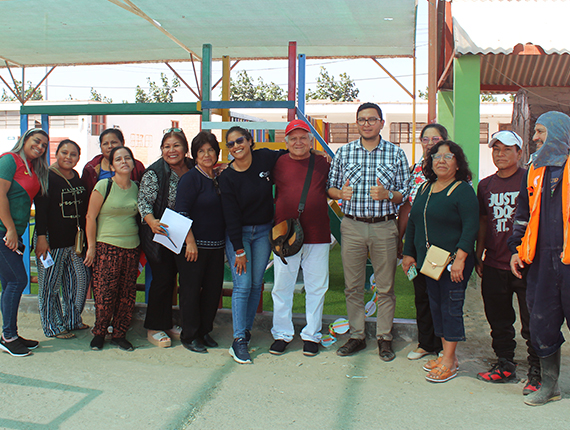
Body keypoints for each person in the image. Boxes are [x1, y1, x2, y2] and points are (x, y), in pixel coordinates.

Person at [327, 102, 410, 361]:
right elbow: (330, 187)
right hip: (351, 226)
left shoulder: (395, 154)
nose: (366, 124)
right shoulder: (344, 152)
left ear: (381, 123)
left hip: (384, 226)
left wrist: (388, 194)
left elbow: (404, 193)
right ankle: (357, 335)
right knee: (353, 287)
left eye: (372, 119)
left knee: (385, 287)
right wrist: (340, 193)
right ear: (357, 123)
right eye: (362, 119)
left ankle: (384, 338)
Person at [402, 140, 478, 383]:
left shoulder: (462, 190)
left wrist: (461, 258)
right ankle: (448, 356)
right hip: (429, 264)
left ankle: (449, 362)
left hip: (453, 264)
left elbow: (471, 227)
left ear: (458, 163)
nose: (441, 161)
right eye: (436, 156)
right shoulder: (425, 188)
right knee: (437, 308)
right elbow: (413, 222)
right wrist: (408, 253)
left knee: (450, 309)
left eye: (448, 156)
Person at [508, 111, 570, 406]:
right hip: (542, 262)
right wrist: (515, 249)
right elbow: (522, 214)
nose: (534, 138)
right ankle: (550, 386)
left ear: (558, 132)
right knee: (541, 323)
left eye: (540, 131)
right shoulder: (534, 170)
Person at [475, 131, 541, 393]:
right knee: (499, 320)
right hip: (494, 264)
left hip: (526, 264)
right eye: (496, 149)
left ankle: (537, 370)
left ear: (519, 153)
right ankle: (505, 364)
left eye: (507, 149)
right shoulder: (485, 185)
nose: (500, 154)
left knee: (532, 322)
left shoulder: (530, 179)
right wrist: (480, 253)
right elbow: (482, 222)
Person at [219, 126, 287, 364]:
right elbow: (230, 216)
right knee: (243, 284)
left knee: (257, 284)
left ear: (249, 141)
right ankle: (238, 340)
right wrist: (238, 250)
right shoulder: (227, 177)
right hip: (240, 234)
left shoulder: (264, 158)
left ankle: (245, 331)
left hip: (263, 232)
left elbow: (287, 154)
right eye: (231, 144)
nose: (236, 146)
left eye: (240, 140)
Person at [269, 120, 331, 357]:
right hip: (285, 235)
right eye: (293, 138)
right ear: (286, 142)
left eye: (303, 137)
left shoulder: (323, 163)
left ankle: (311, 335)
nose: (298, 142)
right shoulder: (278, 163)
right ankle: (282, 333)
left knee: (317, 287)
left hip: (317, 235)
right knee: (282, 286)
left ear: (310, 140)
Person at [138, 129, 194, 348]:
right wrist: (152, 222)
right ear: (161, 150)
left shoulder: (192, 167)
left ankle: (168, 322)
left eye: (176, 145)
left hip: (187, 232)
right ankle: (154, 327)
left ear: (185, 149)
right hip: (161, 233)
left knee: (179, 280)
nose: (171, 150)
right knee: (162, 280)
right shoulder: (155, 172)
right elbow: (143, 202)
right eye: (167, 146)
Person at [398, 124, 447, 360]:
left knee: (443, 296)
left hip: (443, 246)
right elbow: (408, 206)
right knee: (422, 295)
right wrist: (401, 239)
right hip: (418, 244)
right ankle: (426, 343)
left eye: (435, 138)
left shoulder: (455, 170)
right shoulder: (415, 168)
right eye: (425, 139)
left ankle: (446, 348)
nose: (429, 142)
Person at [85, 146, 140, 352]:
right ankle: (99, 332)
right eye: (118, 159)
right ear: (112, 165)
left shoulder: (136, 187)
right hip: (107, 247)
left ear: (133, 163)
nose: (124, 161)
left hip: (131, 246)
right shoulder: (104, 185)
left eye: (127, 158)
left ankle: (119, 333)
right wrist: (92, 247)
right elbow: (91, 217)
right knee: (104, 292)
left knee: (127, 294)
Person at [175, 132, 225, 353]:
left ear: (217, 153)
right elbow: (182, 212)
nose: (206, 154)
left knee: (213, 291)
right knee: (191, 291)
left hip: (217, 246)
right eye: (201, 151)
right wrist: (190, 242)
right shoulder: (190, 179)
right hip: (193, 248)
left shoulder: (219, 178)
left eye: (211, 150)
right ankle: (190, 335)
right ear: (194, 155)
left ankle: (205, 331)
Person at [34, 139, 90, 339]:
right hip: (50, 240)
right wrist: (41, 237)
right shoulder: (47, 177)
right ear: (56, 154)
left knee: (79, 281)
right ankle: (53, 326)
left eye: (73, 154)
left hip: (73, 241)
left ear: (78, 158)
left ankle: (72, 320)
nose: (68, 157)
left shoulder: (77, 177)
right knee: (49, 286)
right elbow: (41, 211)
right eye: (64, 152)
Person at [0, 128, 49, 356]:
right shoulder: (10, 160)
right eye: (36, 142)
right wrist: (10, 229)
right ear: (25, 139)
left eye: (43, 146)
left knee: (10, 282)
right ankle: (8, 337)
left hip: (13, 234)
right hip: (2, 232)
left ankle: (10, 334)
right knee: (18, 280)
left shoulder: (34, 169)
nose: (39, 147)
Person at [82, 128, 145, 196]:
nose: (110, 146)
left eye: (114, 142)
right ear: (100, 146)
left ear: (122, 143)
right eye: (105, 144)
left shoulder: (136, 166)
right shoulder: (90, 168)